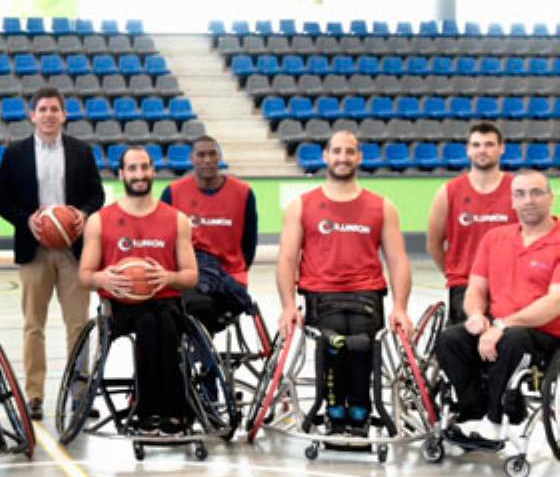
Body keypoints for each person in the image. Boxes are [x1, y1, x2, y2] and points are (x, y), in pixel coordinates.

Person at [276, 130, 413, 437]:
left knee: (362, 342)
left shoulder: (382, 207)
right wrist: (288, 306)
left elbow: (398, 260)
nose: (343, 157)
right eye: (336, 151)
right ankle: (335, 409)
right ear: (326, 156)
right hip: (321, 295)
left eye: (349, 151)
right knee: (335, 339)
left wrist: (400, 307)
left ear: (359, 157)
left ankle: (361, 409)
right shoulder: (302, 205)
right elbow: (286, 258)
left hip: (366, 295)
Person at [0, 85, 104, 420]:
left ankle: (79, 394)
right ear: (32, 115)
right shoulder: (16, 153)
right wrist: (26, 220)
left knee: (78, 325)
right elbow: (1, 201)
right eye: (42, 109)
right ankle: (35, 395)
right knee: (33, 325)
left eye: (55, 109)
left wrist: (83, 214)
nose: (49, 115)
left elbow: (97, 195)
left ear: (64, 115)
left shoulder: (81, 151)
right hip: (34, 249)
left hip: (73, 250)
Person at [434, 169, 560, 445]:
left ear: (551, 198)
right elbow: (476, 288)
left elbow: (554, 303)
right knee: (450, 340)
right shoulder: (495, 238)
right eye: (520, 194)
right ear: (512, 201)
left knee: (512, 339)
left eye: (537, 193)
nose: (528, 200)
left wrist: (501, 326)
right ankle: (473, 413)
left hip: (542, 334)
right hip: (500, 328)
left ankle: (495, 420)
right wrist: (476, 315)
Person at [79, 146, 199, 433]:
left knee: (163, 321)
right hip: (121, 306)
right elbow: (84, 275)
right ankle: (147, 408)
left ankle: (174, 409)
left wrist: (169, 276)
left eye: (145, 167)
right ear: (121, 174)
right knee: (147, 322)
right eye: (132, 168)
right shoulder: (99, 220)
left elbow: (191, 276)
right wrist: (102, 278)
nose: (139, 174)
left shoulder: (177, 220)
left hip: (165, 300)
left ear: (153, 172)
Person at [160, 135, 258, 333]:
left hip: (230, 277)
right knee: (192, 306)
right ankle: (199, 348)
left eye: (212, 154)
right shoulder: (173, 192)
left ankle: (201, 347)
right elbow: (163, 241)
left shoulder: (243, 193)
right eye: (201, 155)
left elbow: (249, 242)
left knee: (200, 308)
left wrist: (235, 268)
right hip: (189, 275)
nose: (207, 160)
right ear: (191, 158)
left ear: (219, 157)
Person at [426, 121, 515, 324]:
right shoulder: (448, 192)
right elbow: (434, 244)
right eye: (476, 145)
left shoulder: (517, 190)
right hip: (464, 285)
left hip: (509, 285)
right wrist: (455, 274)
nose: (482, 150)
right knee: (466, 337)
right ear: (468, 149)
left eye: (489, 144)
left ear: (501, 148)